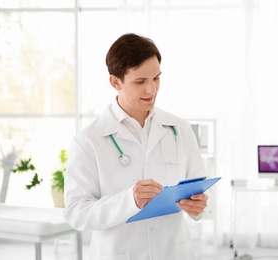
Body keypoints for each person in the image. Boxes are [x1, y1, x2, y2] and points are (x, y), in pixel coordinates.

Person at [63, 33, 208, 260]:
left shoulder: (179, 129)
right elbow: (76, 213)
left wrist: (199, 206)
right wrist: (129, 200)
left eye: (156, 78)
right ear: (115, 82)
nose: (151, 90)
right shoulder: (88, 140)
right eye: (140, 81)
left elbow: (198, 187)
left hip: (173, 252)